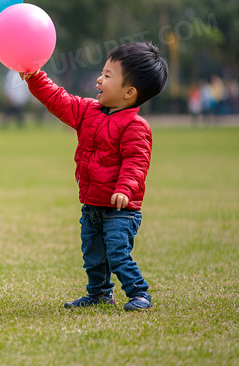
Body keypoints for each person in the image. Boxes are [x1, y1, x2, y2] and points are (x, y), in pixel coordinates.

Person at [21, 42, 168, 312]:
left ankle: (139, 293)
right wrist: (35, 77)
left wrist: (125, 188)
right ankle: (99, 293)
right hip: (92, 203)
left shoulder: (136, 126)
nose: (99, 79)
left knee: (117, 254)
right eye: (102, 72)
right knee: (93, 255)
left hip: (120, 209)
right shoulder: (88, 111)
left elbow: (136, 162)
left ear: (129, 92)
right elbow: (58, 99)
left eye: (108, 75)